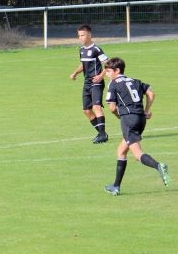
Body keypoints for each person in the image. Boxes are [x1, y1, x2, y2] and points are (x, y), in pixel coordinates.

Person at [102, 57, 171, 195]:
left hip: (129, 120)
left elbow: (111, 107)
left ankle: (159, 166)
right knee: (121, 151)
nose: (107, 74)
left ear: (117, 70)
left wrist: (121, 117)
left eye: (109, 71)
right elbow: (151, 93)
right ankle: (116, 186)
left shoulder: (113, 84)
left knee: (137, 154)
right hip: (140, 119)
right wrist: (146, 110)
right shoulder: (135, 81)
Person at [69, 24, 110, 144]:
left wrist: (101, 76)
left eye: (82, 35)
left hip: (96, 83)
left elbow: (108, 64)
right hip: (86, 83)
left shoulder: (96, 49)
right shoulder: (82, 50)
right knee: (86, 111)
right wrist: (75, 73)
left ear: (89, 35)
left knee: (96, 107)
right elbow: (83, 64)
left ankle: (102, 135)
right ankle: (102, 133)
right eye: (79, 36)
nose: (80, 38)